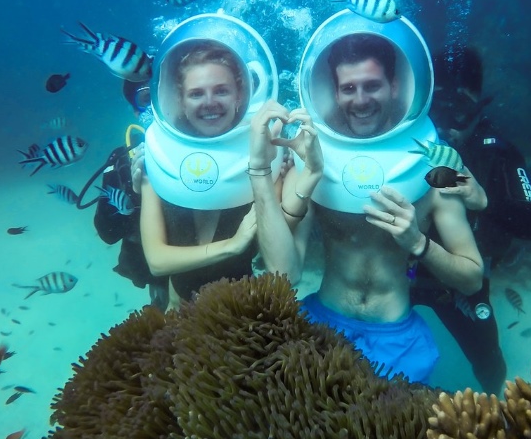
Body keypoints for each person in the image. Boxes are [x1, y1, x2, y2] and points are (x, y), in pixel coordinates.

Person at [249, 33, 484, 383]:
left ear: (394, 86)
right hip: (322, 326)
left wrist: (418, 243)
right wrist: (260, 168)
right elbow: (287, 273)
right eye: (348, 88)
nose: (360, 100)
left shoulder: (428, 168)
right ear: (334, 91)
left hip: (399, 340)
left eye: (372, 85)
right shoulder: (314, 161)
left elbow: (472, 278)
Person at [410, 45, 531, 394]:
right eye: (439, 106)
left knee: (488, 360)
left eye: (461, 109)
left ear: (479, 107)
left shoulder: (497, 151)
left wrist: (485, 201)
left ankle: (489, 411)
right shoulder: (399, 142)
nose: (448, 123)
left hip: (461, 284)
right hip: (401, 272)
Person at [136, 42, 261, 308]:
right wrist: (232, 245)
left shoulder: (262, 150)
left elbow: (283, 265)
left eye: (221, 91)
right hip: (178, 314)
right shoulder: (158, 157)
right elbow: (157, 261)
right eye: (196, 94)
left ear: (240, 94)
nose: (209, 103)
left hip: (248, 317)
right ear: (179, 100)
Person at [90, 79, 168, 310]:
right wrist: (134, 193)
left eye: (163, 94)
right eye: (146, 99)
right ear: (136, 110)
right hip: (155, 270)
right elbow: (107, 234)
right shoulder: (122, 160)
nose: (156, 106)